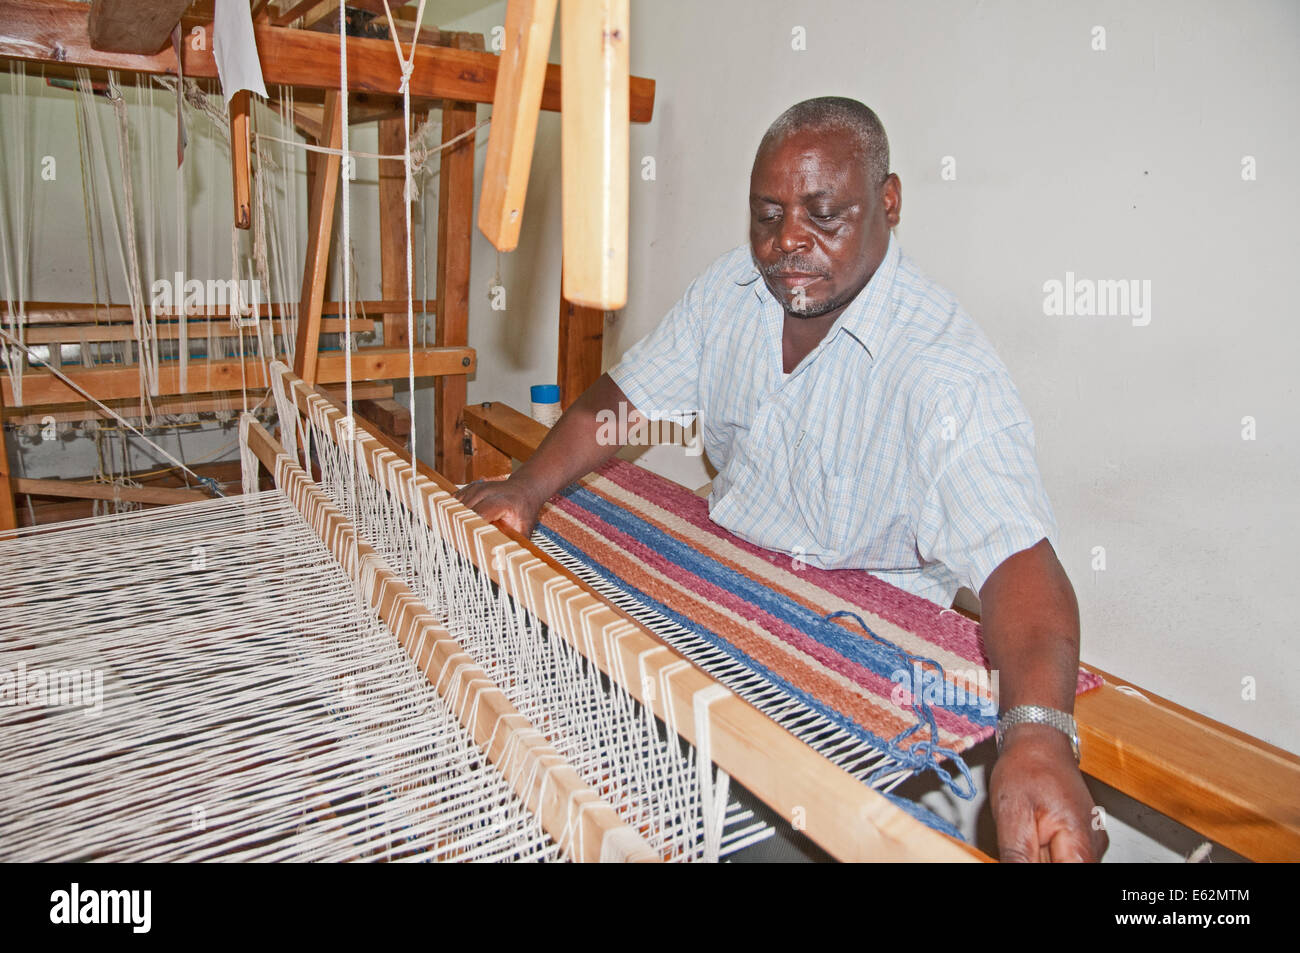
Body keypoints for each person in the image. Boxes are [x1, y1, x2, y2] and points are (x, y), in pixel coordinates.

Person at [457, 96, 1108, 863]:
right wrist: (528, 487)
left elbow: (1020, 568)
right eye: (768, 215)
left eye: (822, 214)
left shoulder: (944, 372)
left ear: (889, 203)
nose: (788, 241)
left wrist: (1035, 736)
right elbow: (625, 402)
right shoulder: (733, 291)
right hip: (719, 600)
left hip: (846, 670)